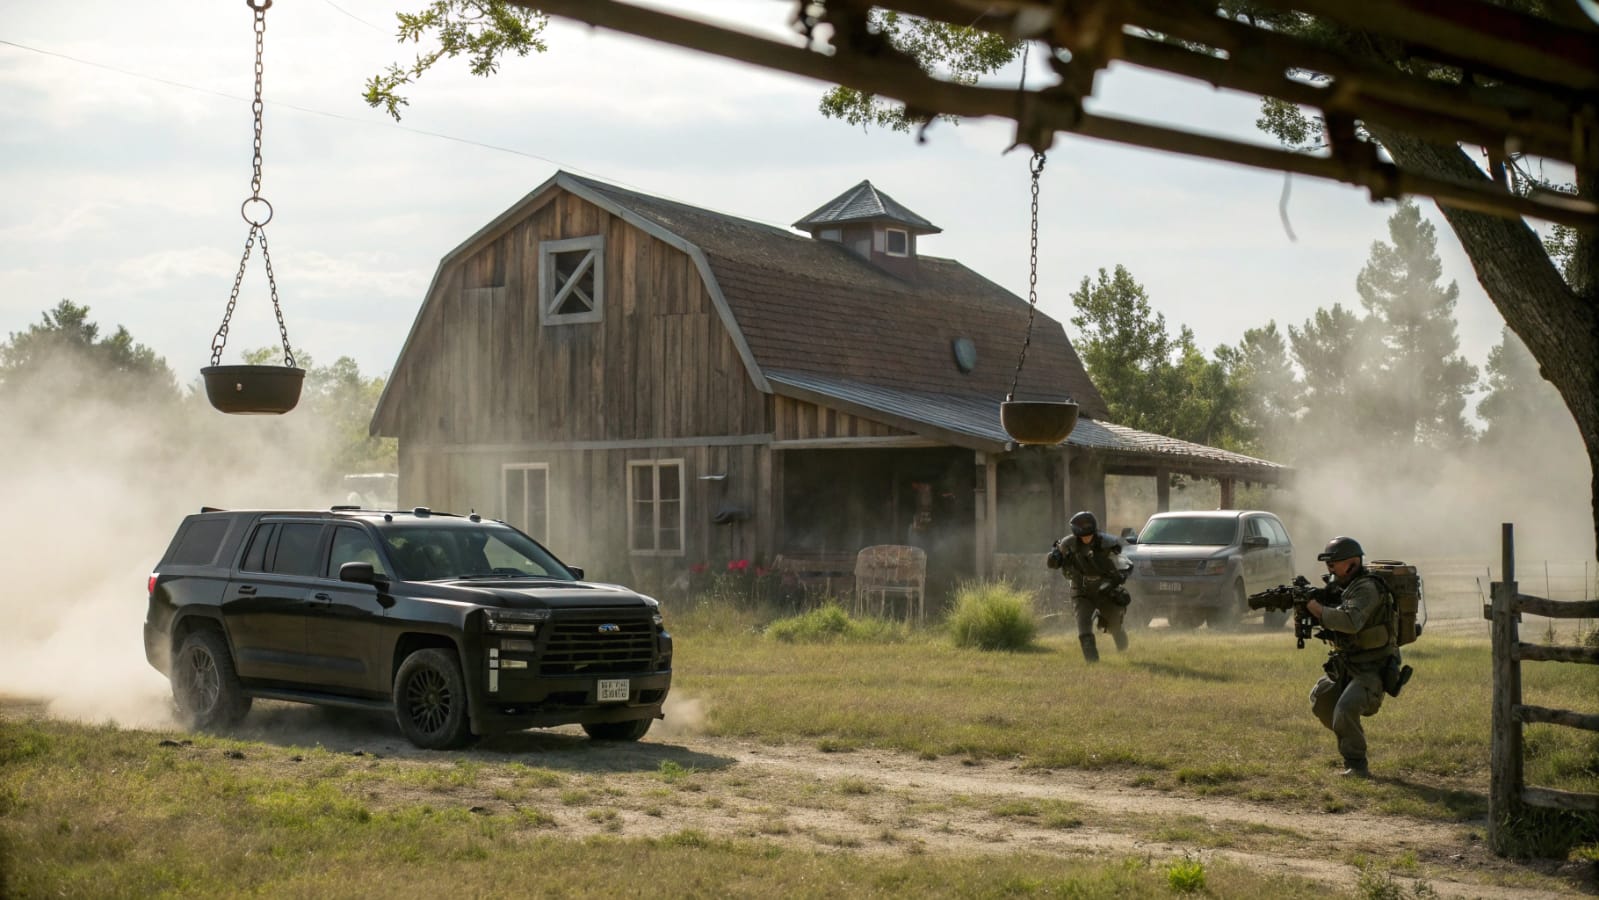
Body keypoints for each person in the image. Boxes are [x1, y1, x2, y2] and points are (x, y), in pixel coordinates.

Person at [1304, 535, 1401, 778]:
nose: (1330, 569)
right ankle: (1347, 736)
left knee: (1345, 709)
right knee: (1321, 699)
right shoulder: (1344, 586)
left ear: (1352, 563)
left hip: (1373, 669)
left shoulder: (1367, 588)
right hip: (1348, 663)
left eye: (1333, 563)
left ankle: (1357, 765)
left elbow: (1350, 621)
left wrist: (1316, 609)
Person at [1046, 510, 1132, 662]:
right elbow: (1053, 562)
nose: (1086, 538)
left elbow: (1125, 563)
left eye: (1088, 535)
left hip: (1106, 589)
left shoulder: (1108, 542)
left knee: (1114, 625)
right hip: (1081, 590)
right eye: (1082, 535)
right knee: (1084, 627)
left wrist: (1118, 577)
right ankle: (1093, 664)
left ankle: (1125, 653)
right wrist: (1054, 558)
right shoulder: (1067, 544)